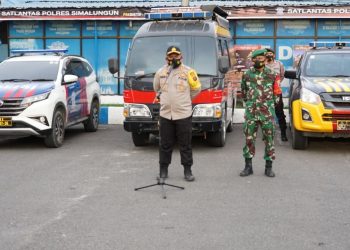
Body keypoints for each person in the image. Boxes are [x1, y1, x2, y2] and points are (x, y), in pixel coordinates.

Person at [153, 46, 201, 181]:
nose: (174, 58)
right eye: (171, 55)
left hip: (183, 114)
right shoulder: (160, 72)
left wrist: (185, 100)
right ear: (166, 57)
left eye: (176, 55)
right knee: (165, 144)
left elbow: (196, 89)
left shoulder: (189, 72)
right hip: (166, 115)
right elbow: (157, 88)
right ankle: (163, 171)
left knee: (185, 144)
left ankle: (187, 171)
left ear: (181, 57)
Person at [240, 49, 281, 178]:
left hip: (267, 114)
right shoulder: (247, 75)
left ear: (265, 59)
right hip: (251, 113)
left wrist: (269, 107)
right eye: (256, 59)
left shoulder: (273, 75)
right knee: (249, 140)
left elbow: (277, 94)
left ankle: (268, 167)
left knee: (269, 140)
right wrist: (250, 105)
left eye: (261, 58)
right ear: (252, 60)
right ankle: (248, 167)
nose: (259, 61)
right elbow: (244, 93)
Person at [265, 48, 288, 141]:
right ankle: (267, 134)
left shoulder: (279, 64)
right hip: (264, 92)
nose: (269, 55)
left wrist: (276, 84)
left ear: (274, 55)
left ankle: (283, 133)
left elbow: (282, 75)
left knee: (279, 112)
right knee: (266, 113)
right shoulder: (263, 64)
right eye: (268, 54)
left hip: (276, 92)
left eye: (271, 53)